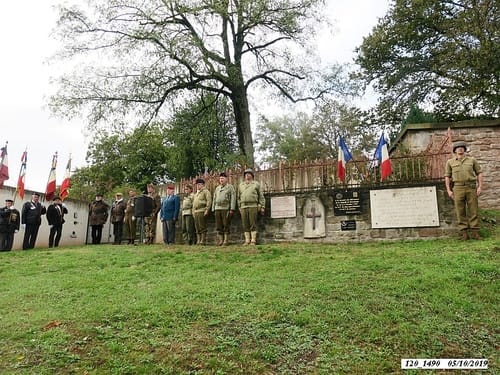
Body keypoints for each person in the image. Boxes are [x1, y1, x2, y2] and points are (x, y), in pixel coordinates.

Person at [445, 140, 484, 240]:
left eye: (462, 147)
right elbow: (447, 177)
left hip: (471, 187)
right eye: (458, 148)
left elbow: (479, 173)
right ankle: (464, 234)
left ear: (465, 149)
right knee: (460, 210)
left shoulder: (472, 160)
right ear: (455, 150)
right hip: (457, 188)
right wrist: (449, 190)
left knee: (473, 210)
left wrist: (480, 187)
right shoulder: (450, 162)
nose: (460, 149)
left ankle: (475, 232)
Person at [238, 169, 265, 245]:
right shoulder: (241, 185)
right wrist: (239, 206)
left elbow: (261, 196)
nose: (247, 175)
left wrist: (262, 206)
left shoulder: (256, 184)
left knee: (253, 223)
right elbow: (238, 197)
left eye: (249, 174)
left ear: (252, 175)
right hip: (243, 206)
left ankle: (253, 240)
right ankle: (247, 240)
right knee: (245, 223)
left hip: (253, 205)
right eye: (246, 174)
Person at [212, 172, 236, 245]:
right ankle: (220, 240)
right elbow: (214, 198)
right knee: (218, 225)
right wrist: (213, 209)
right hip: (217, 208)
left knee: (226, 224)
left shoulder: (230, 187)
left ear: (226, 179)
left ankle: (226, 240)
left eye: (223, 178)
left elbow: (233, 198)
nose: (221, 179)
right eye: (220, 178)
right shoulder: (217, 188)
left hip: (225, 208)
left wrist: (232, 209)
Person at [192, 178, 212, 245]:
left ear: (203, 185)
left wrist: (207, 210)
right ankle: (198, 240)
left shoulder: (206, 192)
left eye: (199, 184)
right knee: (197, 227)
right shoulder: (196, 193)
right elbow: (194, 204)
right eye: (197, 185)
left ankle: (202, 240)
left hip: (202, 210)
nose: (198, 186)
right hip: (196, 211)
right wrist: (193, 212)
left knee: (202, 226)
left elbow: (209, 201)